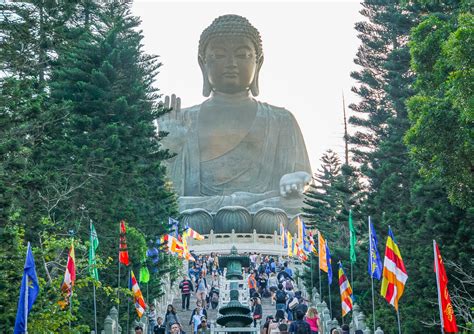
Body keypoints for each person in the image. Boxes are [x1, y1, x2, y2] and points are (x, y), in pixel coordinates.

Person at [159, 14, 312, 220]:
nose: (231, 63)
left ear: (259, 63)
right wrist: (170, 149)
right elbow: (165, 194)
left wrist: (295, 180)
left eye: (242, 55)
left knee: (293, 207)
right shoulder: (183, 120)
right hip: (200, 212)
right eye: (219, 56)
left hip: (265, 209)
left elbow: (301, 178)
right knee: (176, 211)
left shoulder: (281, 119)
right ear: (202, 64)